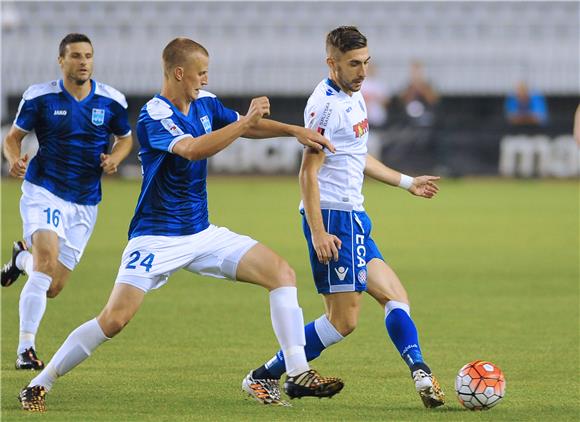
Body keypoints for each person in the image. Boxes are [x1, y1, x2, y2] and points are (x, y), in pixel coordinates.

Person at [18, 37, 344, 412]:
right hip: (156, 239)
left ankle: (297, 373)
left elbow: (245, 126)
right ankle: (39, 383)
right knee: (114, 320)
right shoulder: (153, 115)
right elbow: (192, 149)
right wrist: (245, 125)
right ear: (179, 72)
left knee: (282, 274)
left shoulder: (205, 102)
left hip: (202, 233)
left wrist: (293, 131)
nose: (205, 79)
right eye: (200, 73)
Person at [243, 26, 445, 409]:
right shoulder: (327, 106)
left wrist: (407, 182)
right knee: (342, 323)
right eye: (354, 64)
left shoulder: (355, 96)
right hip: (334, 219)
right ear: (331, 63)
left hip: (354, 217)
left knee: (396, 296)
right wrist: (319, 232)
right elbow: (308, 173)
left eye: (366, 62)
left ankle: (420, 370)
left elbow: (356, 155)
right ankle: (263, 376)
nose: (363, 71)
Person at [1, 33, 133, 370]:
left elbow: (125, 139)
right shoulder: (40, 98)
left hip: (85, 201)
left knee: (52, 285)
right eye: (75, 56)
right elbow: (13, 138)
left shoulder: (111, 101)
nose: (83, 61)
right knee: (46, 263)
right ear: (61, 61)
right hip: (44, 189)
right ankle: (25, 350)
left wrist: (115, 159)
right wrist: (14, 160)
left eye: (88, 55)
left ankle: (20, 260)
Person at [399, 60, 439, 127]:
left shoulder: (427, 86)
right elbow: (404, 101)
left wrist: (422, 89)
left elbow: (433, 101)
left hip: (426, 114)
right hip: (410, 116)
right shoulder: (409, 87)